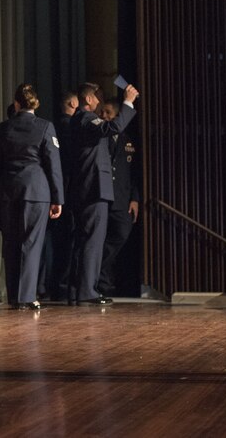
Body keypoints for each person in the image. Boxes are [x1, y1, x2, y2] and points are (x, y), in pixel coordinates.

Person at [0, 84, 64, 310]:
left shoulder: (3, 128)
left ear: (16, 104)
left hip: (9, 190)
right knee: (31, 244)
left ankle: (15, 295)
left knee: (12, 244)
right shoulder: (45, 126)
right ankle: (26, 296)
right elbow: (53, 165)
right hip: (36, 191)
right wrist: (58, 198)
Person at [66, 81, 138, 306]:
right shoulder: (87, 119)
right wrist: (128, 102)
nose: (98, 102)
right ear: (88, 100)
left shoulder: (81, 120)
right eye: (96, 98)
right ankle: (87, 291)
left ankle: (79, 290)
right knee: (92, 242)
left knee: (86, 241)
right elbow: (112, 128)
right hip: (93, 188)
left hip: (88, 188)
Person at [96, 98, 141, 297]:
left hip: (122, 199)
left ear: (116, 115)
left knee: (121, 235)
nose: (104, 116)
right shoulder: (100, 137)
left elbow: (134, 173)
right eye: (102, 113)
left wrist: (135, 198)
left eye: (108, 113)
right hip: (103, 197)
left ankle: (98, 269)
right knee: (99, 239)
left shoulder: (128, 140)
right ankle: (102, 283)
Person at [40, 90, 79, 301]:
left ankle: (45, 287)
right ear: (73, 103)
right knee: (65, 245)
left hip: (49, 192)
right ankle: (61, 288)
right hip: (66, 194)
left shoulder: (51, 126)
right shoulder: (71, 128)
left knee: (48, 243)